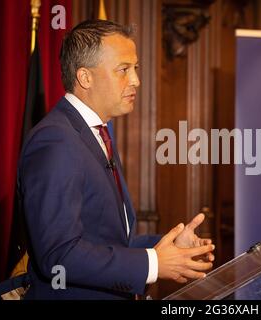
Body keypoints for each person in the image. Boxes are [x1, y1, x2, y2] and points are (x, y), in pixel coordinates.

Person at [17, 20, 215, 299]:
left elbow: (106, 240)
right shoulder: (57, 140)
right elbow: (59, 255)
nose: (135, 80)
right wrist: (154, 264)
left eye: (135, 69)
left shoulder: (94, 133)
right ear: (85, 78)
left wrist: (168, 247)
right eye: (123, 70)